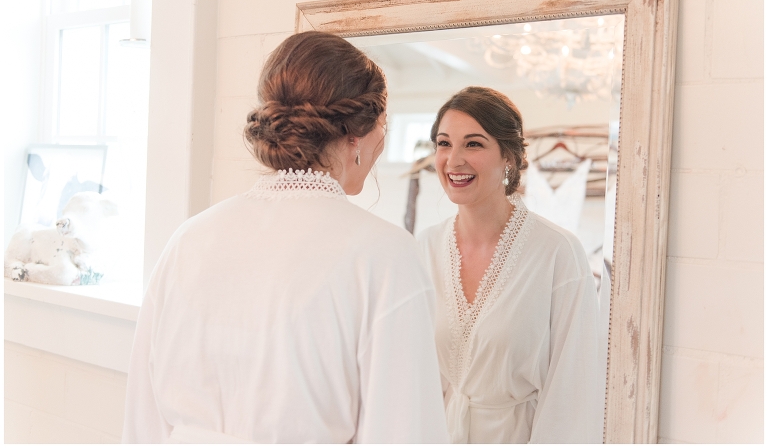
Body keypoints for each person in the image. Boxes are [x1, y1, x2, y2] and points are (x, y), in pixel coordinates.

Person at [123, 31, 449, 443]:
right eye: (383, 124)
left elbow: (143, 418)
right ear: (357, 135)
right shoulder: (385, 254)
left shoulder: (190, 239)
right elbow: (405, 430)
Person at [418, 86, 603, 443]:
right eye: (444, 143)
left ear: (509, 156)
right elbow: (411, 376)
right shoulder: (424, 248)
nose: (453, 160)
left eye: (473, 144)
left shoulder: (558, 253)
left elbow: (573, 394)